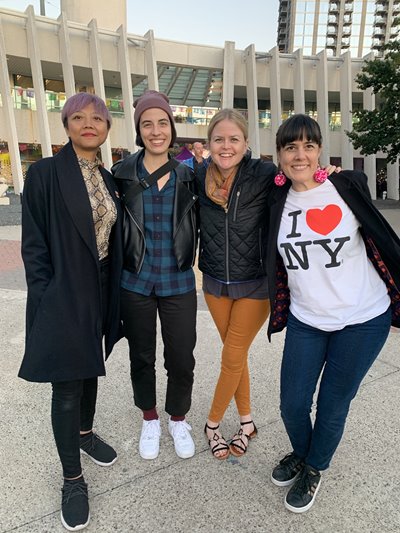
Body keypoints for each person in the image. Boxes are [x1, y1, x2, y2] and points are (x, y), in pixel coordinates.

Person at [266, 113, 400, 513]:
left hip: (363, 318)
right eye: (291, 147)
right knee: (291, 402)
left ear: (320, 151)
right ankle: (305, 453)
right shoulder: (275, 199)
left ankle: (314, 467)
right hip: (307, 320)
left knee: (332, 404)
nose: (300, 154)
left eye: (308, 145)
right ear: (279, 155)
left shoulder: (346, 185)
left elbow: (380, 235)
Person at [18, 93, 123, 531]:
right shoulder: (44, 173)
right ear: (66, 125)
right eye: (78, 117)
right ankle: (72, 478)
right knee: (66, 385)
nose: (88, 124)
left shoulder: (108, 176)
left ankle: (84, 433)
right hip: (63, 290)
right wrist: (46, 294)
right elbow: (34, 244)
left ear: (105, 129)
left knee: (90, 364)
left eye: (97, 118)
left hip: (100, 286)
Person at [111, 90, 198, 461]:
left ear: (172, 128)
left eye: (162, 122)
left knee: (181, 357)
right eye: (147, 124)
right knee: (141, 355)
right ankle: (149, 416)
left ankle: (177, 417)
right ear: (138, 130)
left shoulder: (190, 174)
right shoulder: (122, 173)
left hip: (178, 281)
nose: (156, 130)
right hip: (136, 282)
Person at [196, 109, 276, 459]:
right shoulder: (197, 176)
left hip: (255, 283)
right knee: (236, 355)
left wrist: (330, 174)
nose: (225, 146)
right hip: (214, 282)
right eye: (219, 139)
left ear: (246, 143)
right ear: (209, 143)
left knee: (231, 355)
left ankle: (212, 424)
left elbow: (304, 185)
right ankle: (247, 423)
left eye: (233, 139)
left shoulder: (265, 174)